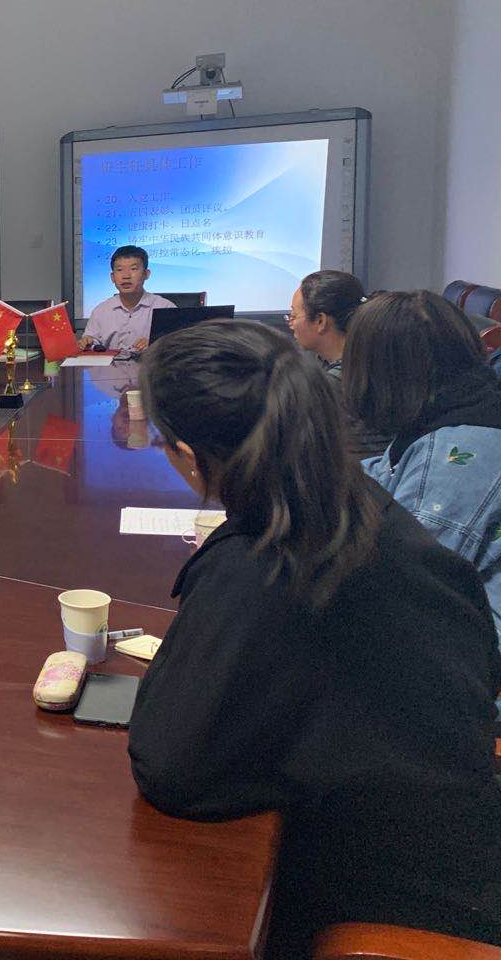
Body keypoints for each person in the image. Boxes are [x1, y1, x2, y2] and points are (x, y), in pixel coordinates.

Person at [128, 320, 501, 958]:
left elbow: (172, 769)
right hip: (462, 846)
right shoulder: (360, 505)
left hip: (390, 901)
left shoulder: (262, 564)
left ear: (188, 457)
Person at [345, 290, 501, 638]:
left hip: (474, 648)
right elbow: (382, 475)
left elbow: (405, 581)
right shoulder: (445, 415)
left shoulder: (458, 452)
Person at [287, 270, 390, 458]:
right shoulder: (374, 359)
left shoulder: (334, 384)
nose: (290, 324)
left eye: (293, 315)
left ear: (320, 321)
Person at [78, 245, 175, 353]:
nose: (126, 276)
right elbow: (92, 341)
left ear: (146, 274)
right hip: (111, 364)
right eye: (119, 270)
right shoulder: (101, 310)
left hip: (150, 363)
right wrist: (88, 341)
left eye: (133, 269)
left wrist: (156, 344)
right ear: (112, 277)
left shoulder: (165, 308)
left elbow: (179, 346)